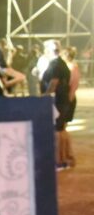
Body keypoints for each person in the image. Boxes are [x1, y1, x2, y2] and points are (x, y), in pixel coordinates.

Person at [39, 39, 72, 170]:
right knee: (61, 129)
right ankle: (64, 159)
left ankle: (58, 161)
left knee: (57, 130)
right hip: (63, 100)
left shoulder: (55, 64)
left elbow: (53, 82)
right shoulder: (61, 63)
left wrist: (44, 96)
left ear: (49, 51)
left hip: (58, 101)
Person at [62, 47, 80, 167]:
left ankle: (68, 155)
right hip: (67, 99)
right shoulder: (70, 67)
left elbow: (73, 86)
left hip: (68, 99)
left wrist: (67, 101)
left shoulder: (72, 67)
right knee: (62, 128)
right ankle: (67, 154)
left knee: (62, 128)